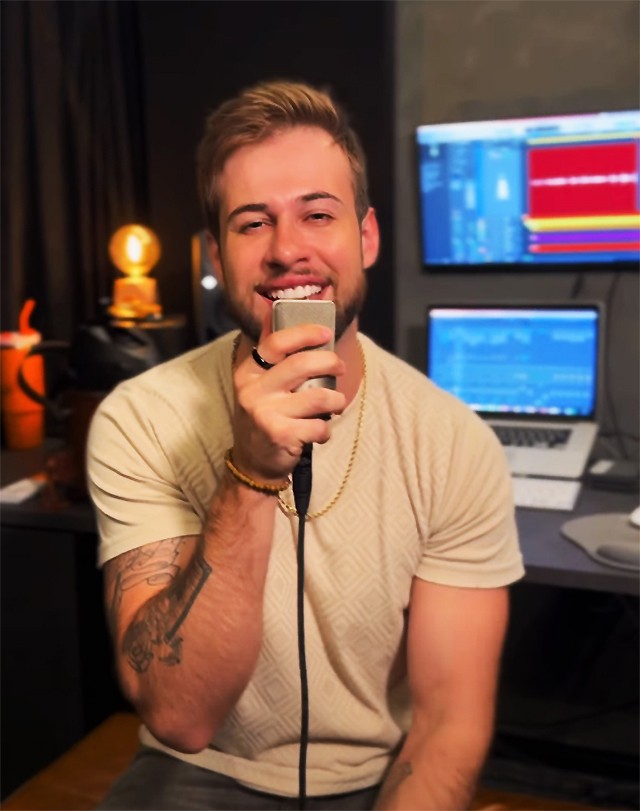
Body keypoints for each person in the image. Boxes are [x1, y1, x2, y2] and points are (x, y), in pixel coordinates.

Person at [87, 79, 524, 811]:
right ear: (217, 254)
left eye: (317, 214)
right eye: (252, 223)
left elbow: (447, 724)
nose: (288, 249)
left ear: (367, 237)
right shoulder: (140, 419)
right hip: (201, 770)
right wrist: (251, 474)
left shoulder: (453, 443)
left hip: (375, 778)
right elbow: (180, 714)